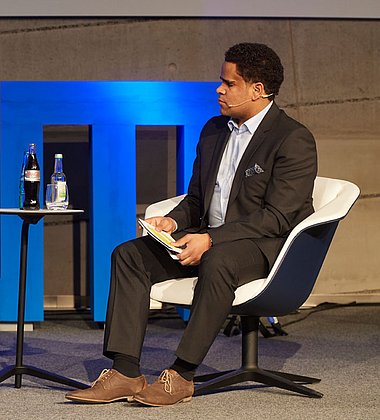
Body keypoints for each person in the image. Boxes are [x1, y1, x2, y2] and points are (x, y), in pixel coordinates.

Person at [66, 43, 317, 406]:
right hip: (208, 237)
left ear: (257, 90)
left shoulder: (292, 139)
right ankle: (125, 372)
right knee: (129, 255)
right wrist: (173, 220)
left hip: (264, 246)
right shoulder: (215, 129)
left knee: (219, 261)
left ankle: (181, 374)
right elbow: (197, 199)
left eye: (229, 84)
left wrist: (210, 240)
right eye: (222, 81)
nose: (219, 89)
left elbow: (277, 218)